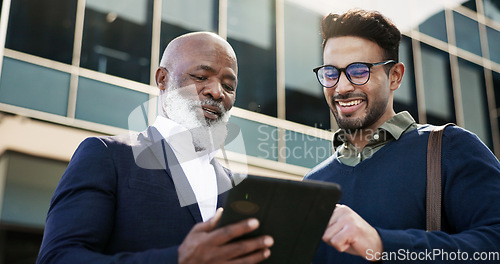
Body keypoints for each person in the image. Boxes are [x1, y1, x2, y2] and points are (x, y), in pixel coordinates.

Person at [37, 32, 274, 264]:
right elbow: (58, 258)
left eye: (228, 86)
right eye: (201, 77)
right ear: (162, 79)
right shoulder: (107, 156)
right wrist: (178, 259)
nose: (217, 92)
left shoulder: (239, 187)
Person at [305, 9, 500, 263]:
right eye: (331, 73)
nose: (341, 87)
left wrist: (381, 244)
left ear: (395, 76)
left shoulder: (450, 147)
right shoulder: (312, 182)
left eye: (359, 71)